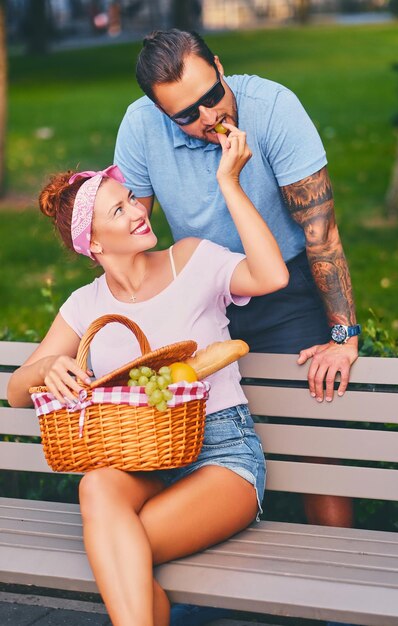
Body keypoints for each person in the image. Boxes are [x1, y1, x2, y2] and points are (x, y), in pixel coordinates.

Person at [7, 126, 289, 626]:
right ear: (91, 243)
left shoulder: (192, 261)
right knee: (97, 490)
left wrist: (229, 182)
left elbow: (272, 276)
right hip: (141, 466)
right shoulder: (86, 305)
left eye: (133, 199)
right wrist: (48, 366)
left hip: (222, 458)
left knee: (120, 556)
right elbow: (14, 393)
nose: (140, 210)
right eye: (119, 210)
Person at [114, 28, 359, 532]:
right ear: (161, 114)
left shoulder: (273, 107)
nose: (209, 118)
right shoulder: (140, 127)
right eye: (186, 114)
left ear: (220, 66)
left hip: (283, 288)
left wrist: (343, 334)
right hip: (201, 293)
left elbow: (321, 231)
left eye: (211, 96)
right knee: (193, 443)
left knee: (316, 447)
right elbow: (125, 233)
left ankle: (340, 586)